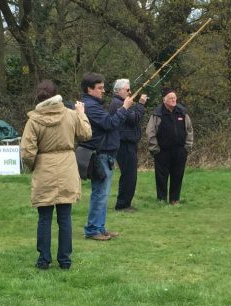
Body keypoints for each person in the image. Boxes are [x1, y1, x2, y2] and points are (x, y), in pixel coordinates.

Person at [20, 80, 92, 270]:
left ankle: (44, 259)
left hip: (45, 169)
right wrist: (82, 115)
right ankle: (65, 260)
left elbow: (27, 151)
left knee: (44, 218)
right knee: (65, 217)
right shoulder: (70, 115)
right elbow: (86, 134)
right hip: (67, 167)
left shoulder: (34, 120)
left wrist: (34, 165)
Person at [80, 72, 134, 241]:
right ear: (89, 89)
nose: (103, 91)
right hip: (100, 155)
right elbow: (109, 123)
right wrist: (125, 108)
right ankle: (93, 229)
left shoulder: (93, 104)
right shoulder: (91, 106)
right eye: (99, 88)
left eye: (103, 87)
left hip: (106, 154)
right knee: (100, 193)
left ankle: (100, 227)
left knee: (103, 193)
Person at [146, 87, 193, 205]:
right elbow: (150, 132)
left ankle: (174, 199)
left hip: (180, 151)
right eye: (170, 98)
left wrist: (187, 147)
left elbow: (189, 130)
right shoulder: (158, 113)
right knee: (161, 176)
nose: (173, 100)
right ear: (164, 100)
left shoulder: (182, 112)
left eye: (174, 98)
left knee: (177, 175)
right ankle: (161, 199)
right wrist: (154, 149)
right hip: (162, 151)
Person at [108, 79, 148, 212]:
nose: (130, 92)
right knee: (128, 175)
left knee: (130, 174)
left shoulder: (123, 103)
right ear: (118, 90)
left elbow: (133, 116)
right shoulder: (118, 104)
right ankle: (122, 205)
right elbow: (133, 119)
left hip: (128, 143)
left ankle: (125, 203)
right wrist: (141, 104)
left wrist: (136, 107)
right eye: (127, 90)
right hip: (123, 144)